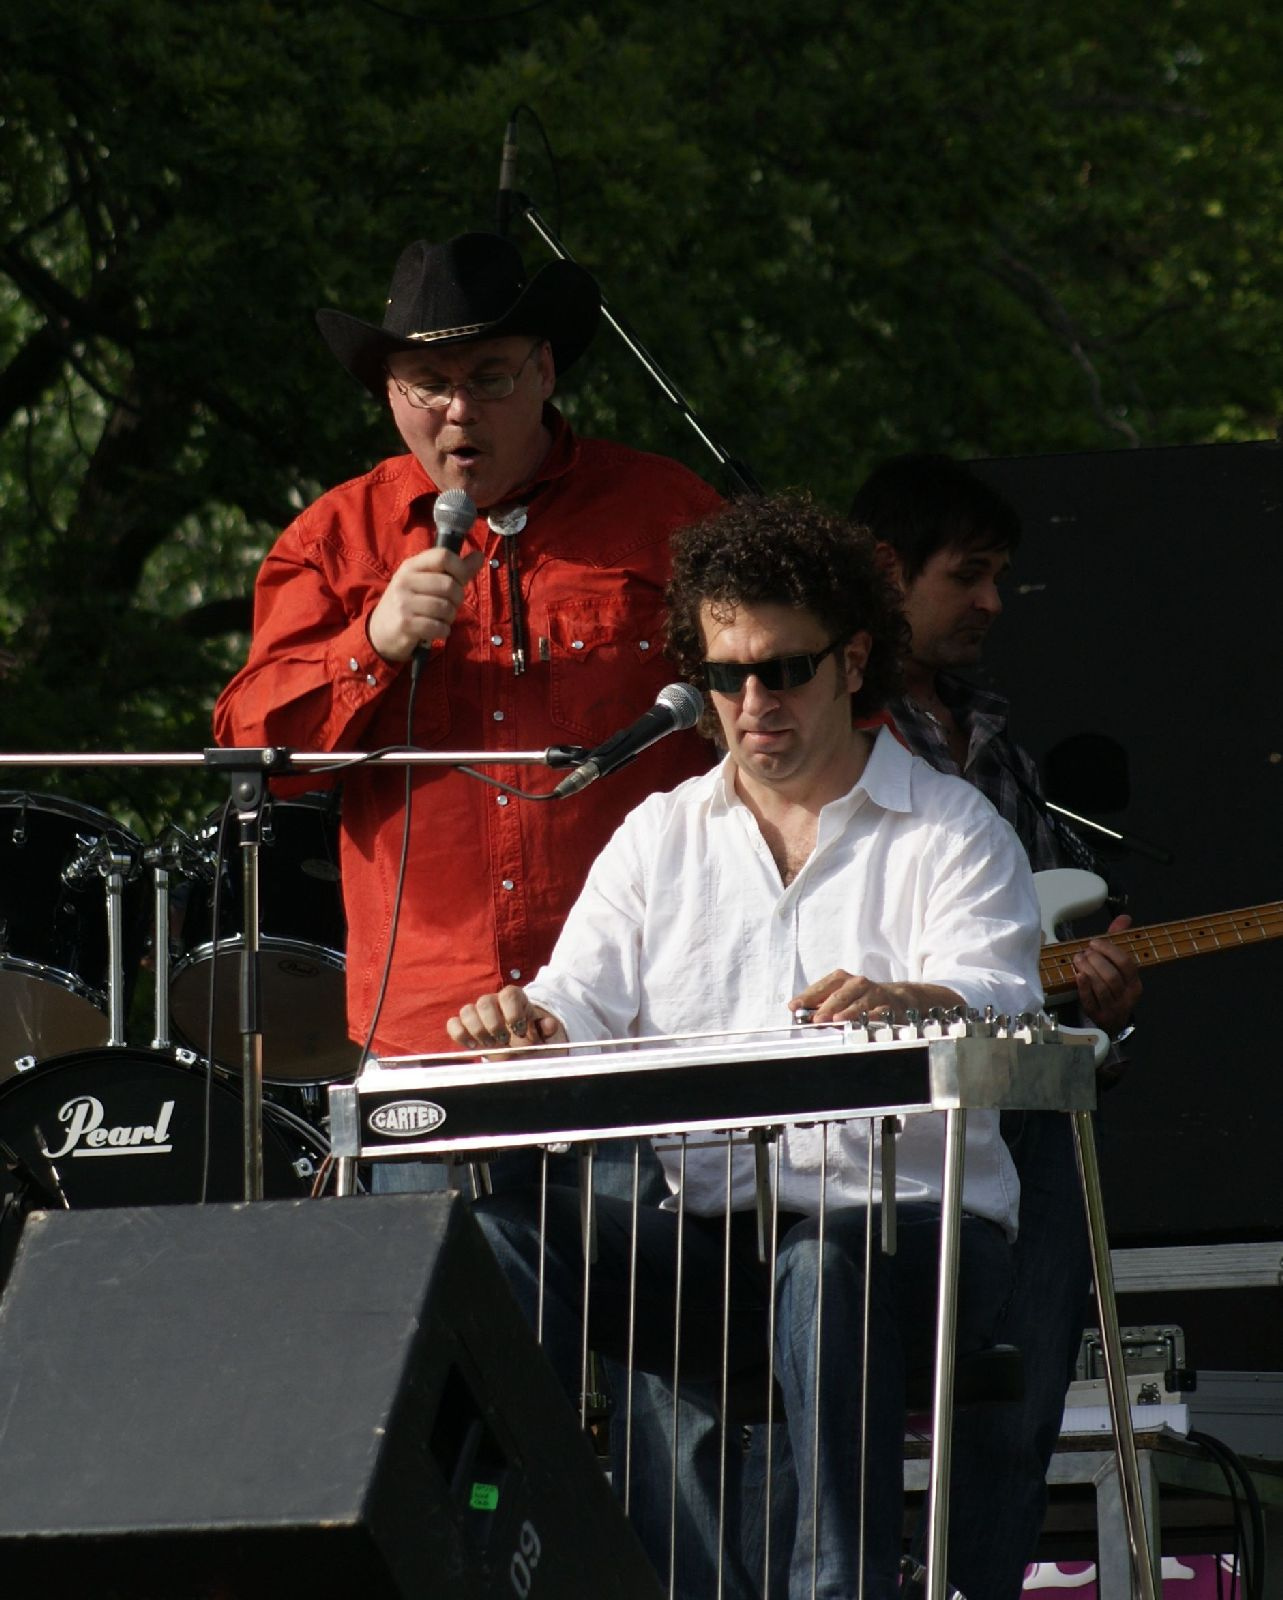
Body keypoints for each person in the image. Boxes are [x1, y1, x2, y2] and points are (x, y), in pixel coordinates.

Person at [448, 495, 1046, 1600]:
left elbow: (1003, 1001)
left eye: (784, 669)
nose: (752, 701)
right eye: (725, 676)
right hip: (716, 1249)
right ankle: (536, 1564)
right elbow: (574, 1001)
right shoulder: (658, 833)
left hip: (917, 1241)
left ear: (853, 659)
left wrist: (917, 994)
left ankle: (841, 1590)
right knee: (489, 1234)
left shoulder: (952, 827)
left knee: (822, 1269)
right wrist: (521, 1022)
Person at [214, 233, 720, 1060]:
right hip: (430, 1021)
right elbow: (251, 751)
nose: (458, 409)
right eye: (428, 384)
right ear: (389, 393)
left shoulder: (666, 512)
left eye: (490, 378)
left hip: (647, 1002)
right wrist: (368, 646)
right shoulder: (333, 539)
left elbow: (785, 702)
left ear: (545, 373)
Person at [852, 452, 1143, 1600]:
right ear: (882, 571)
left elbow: (1064, 969)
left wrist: (1105, 1009)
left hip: (1021, 1125)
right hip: (884, 1129)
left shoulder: (1002, 757)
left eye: (998, 577)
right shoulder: (830, 736)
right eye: (965, 575)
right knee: (841, 1412)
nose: (989, 603)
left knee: (1015, 1419)